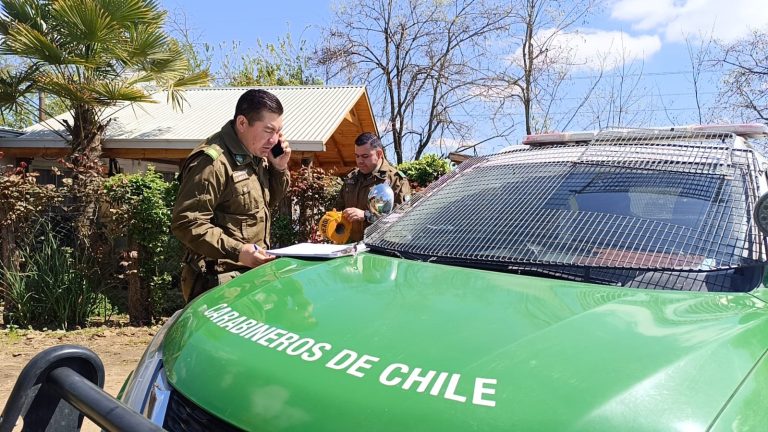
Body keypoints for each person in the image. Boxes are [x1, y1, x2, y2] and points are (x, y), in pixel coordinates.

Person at [172, 89, 291, 302]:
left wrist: (279, 169)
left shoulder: (255, 154)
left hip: (249, 276)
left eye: (278, 132)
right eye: (268, 130)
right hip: (218, 282)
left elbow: (266, 203)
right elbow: (187, 223)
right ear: (242, 123)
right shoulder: (213, 162)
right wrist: (239, 251)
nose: (274, 140)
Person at [334, 132, 411, 242]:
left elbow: (402, 218)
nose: (360, 161)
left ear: (379, 154)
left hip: (379, 249)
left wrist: (366, 215)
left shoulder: (396, 180)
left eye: (365, 156)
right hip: (349, 247)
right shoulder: (352, 178)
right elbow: (339, 208)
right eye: (357, 156)